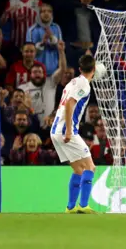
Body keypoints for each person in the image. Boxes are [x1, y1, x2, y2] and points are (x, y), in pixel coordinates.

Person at [50, 54, 97, 214]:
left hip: (55, 130)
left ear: (79, 69)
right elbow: (70, 104)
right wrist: (69, 130)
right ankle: (83, 206)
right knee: (90, 167)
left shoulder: (73, 82)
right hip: (66, 130)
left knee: (78, 170)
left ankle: (70, 208)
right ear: (94, 69)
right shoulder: (84, 85)